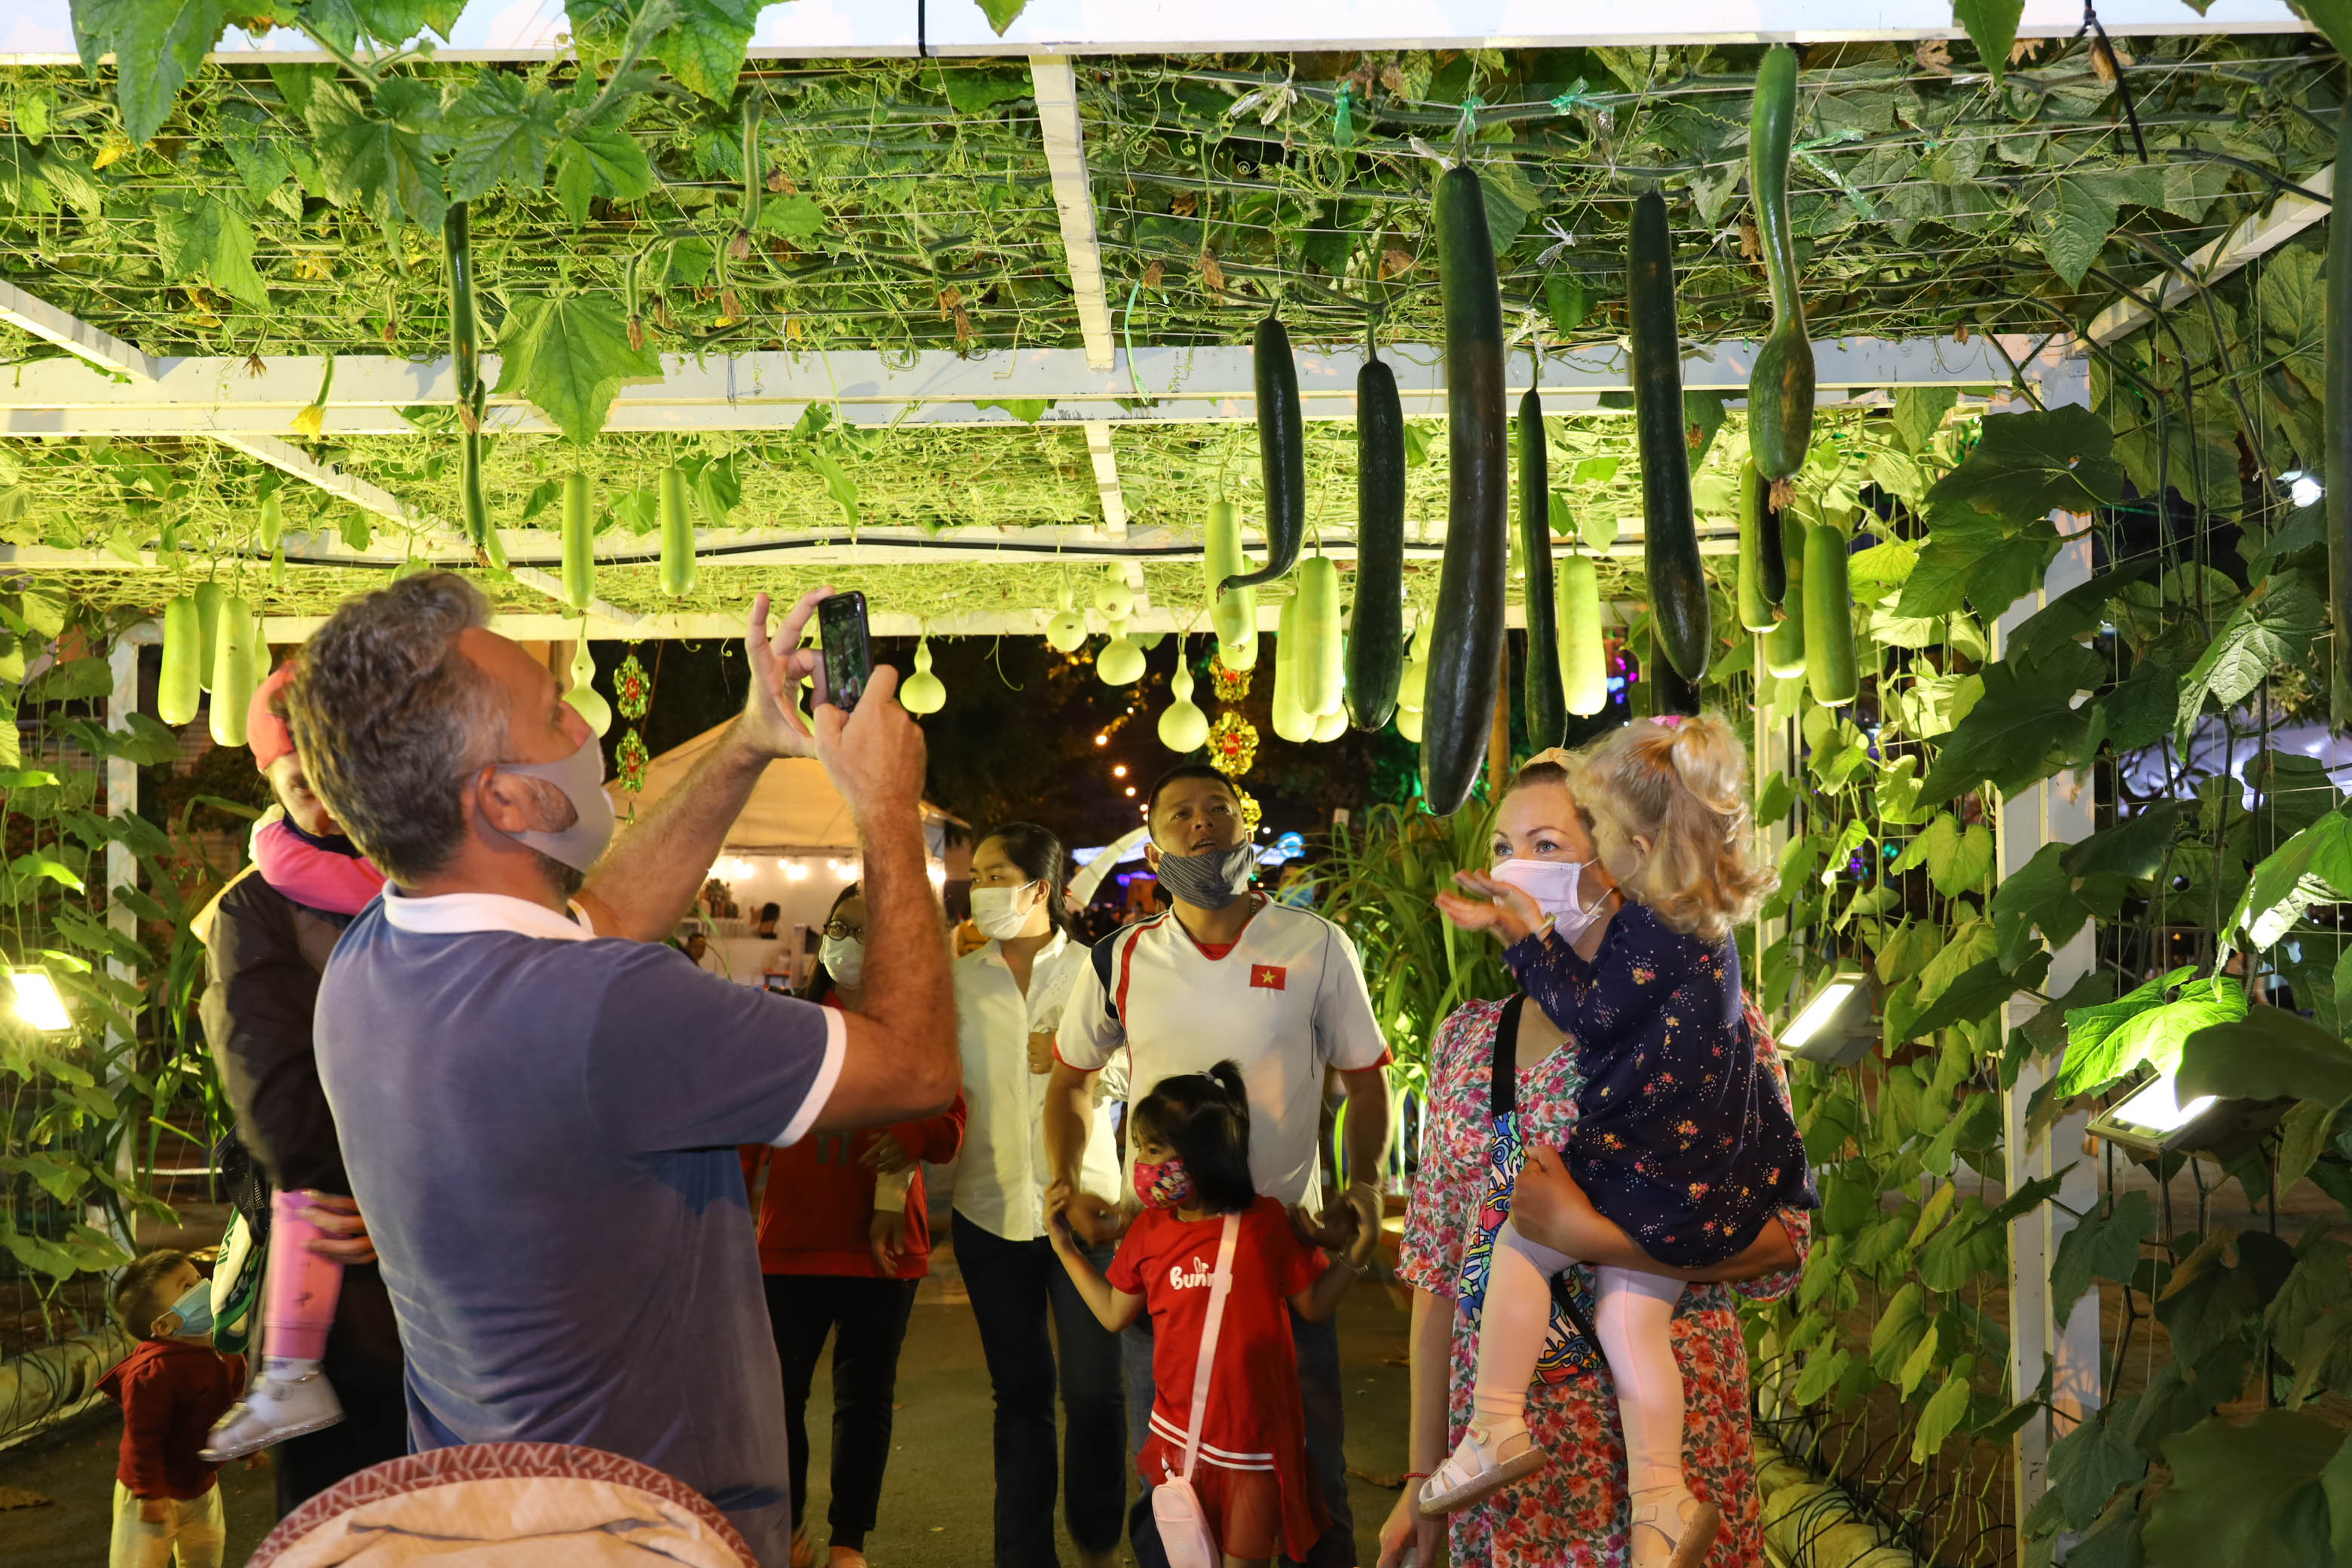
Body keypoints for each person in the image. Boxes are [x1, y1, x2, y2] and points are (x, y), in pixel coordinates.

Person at [286, 574, 957, 1566]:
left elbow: (598, 921)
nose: (580, 724)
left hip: (497, 1517)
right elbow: (914, 1067)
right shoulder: (608, 1008)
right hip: (653, 1533)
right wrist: (887, 808)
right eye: (552, 713)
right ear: (505, 796)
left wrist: (748, 744)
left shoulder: (377, 957)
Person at [1377, 750, 1811, 1568]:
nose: (1515, 869)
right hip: (1511, 1484)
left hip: (1669, 1451)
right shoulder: (1469, 1040)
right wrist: (1419, 1470)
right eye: (1504, 848)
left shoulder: (1708, 1022)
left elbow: (1784, 1236)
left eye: (1546, 845)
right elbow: (1441, 1272)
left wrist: (1591, 1235)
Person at [1047, 762, 1392, 1568]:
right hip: (1162, 1259)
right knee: (1166, 1484)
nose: (1201, 823)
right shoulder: (1120, 957)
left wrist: (1363, 1181)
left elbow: (1365, 1076)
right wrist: (1072, 1176)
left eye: (1218, 808)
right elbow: (1070, 1078)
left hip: (1282, 1255)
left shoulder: (1314, 945)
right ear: (1154, 841)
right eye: (1179, 813)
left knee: (1311, 1476)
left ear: (1247, 828)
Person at [192, 661, 404, 1508]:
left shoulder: (435, 882)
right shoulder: (260, 908)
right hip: (349, 1261)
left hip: (453, 1267)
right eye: (301, 780)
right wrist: (376, 1197)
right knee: (345, 1507)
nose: (325, 799)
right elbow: (276, 1098)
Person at [1049, 1064, 1376, 1568]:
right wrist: (1065, 1249)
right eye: (1137, 1147)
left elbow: (1314, 1305)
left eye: (1153, 1150)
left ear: (1200, 1155)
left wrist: (1359, 1251)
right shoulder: (1149, 1231)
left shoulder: (1265, 1225)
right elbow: (1115, 1313)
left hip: (1253, 1452)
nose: (1140, 1162)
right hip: (1179, 1448)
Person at [744, 880, 967, 1568]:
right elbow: (750, 1129)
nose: (848, 942)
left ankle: (849, 1541)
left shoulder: (922, 1029)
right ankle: (785, 1528)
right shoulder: (791, 1025)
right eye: (841, 926)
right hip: (791, 1245)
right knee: (776, 1397)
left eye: (868, 930)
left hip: (883, 1246)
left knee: (865, 1397)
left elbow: (951, 1122)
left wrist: (914, 1135)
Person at [951, 822, 1129, 1568]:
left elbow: (1137, 1072)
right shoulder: (956, 976)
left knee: (1094, 1390)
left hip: (1085, 1210)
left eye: (997, 874)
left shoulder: (1099, 970)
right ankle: (1023, 1556)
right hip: (987, 1211)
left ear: (1039, 889)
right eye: (978, 874)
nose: (980, 887)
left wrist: (1079, 1066)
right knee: (1020, 1393)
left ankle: (1095, 1530)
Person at [100, 1251, 247, 1568]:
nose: (204, 1286)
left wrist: (247, 1448)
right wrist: (150, 1492)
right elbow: (143, 1440)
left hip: (201, 1486)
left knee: (204, 1558)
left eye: (197, 1278)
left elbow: (234, 1406)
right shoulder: (152, 1374)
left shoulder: (225, 1350)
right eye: (187, 1287)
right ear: (165, 1325)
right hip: (153, 1492)